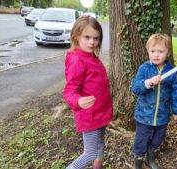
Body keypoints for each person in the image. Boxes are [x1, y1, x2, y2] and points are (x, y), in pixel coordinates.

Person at [63, 15, 113, 169]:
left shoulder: (91, 56)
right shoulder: (77, 59)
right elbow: (69, 90)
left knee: (100, 144)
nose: (92, 42)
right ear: (76, 36)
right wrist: (77, 101)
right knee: (90, 153)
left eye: (96, 38)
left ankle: (98, 166)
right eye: (87, 37)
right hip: (89, 115)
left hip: (101, 112)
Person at [130, 33, 177, 169]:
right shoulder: (144, 68)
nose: (156, 55)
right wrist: (148, 83)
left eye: (161, 51)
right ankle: (138, 163)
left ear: (168, 53)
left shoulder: (171, 71)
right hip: (144, 116)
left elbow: (176, 92)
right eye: (153, 51)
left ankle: (150, 157)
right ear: (148, 51)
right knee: (141, 141)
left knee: (157, 139)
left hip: (162, 116)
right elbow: (135, 87)